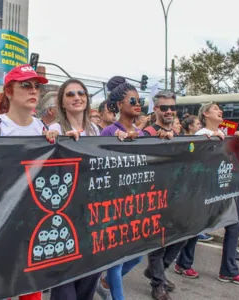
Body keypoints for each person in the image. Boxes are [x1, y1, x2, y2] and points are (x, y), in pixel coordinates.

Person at [0, 64, 58, 300]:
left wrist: (59, 141)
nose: (33, 91)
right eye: (26, 85)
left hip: (33, 224)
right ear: (10, 92)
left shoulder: (43, 129)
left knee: (31, 291)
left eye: (36, 87)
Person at [47, 79, 101, 300]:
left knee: (88, 280)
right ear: (62, 103)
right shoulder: (56, 128)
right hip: (65, 216)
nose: (77, 97)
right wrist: (56, 140)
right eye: (70, 94)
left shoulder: (95, 129)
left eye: (81, 93)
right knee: (65, 288)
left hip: (92, 214)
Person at [96, 79, 144, 300]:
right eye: (132, 100)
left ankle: (103, 282)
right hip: (113, 205)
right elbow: (98, 166)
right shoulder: (108, 132)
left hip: (136, 204)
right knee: (115, 260)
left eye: (139, 100)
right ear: (118, 104)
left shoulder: (143, 135)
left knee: (137, 257)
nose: (138, 104)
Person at [195, 102, 239, 285]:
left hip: (223, 191)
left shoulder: (224, 136)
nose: (220, 111)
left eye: (220, 109)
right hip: (204, 192)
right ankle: (180, 263)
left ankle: (228, 271)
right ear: (206, 114)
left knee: (233, 226)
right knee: (194, 230)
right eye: (216, 109)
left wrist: (237, 138)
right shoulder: (200, 135)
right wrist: (212, 137)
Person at [141, 91, 183, 300]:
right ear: (156, 109)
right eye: (164, 107)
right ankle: (158, 284)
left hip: (176, 196)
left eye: (172, 107)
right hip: (154, 196)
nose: (169, 111)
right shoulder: (147, 133)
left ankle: (157, 270)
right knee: (158, 242)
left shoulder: (179, 133)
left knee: (184, 234)